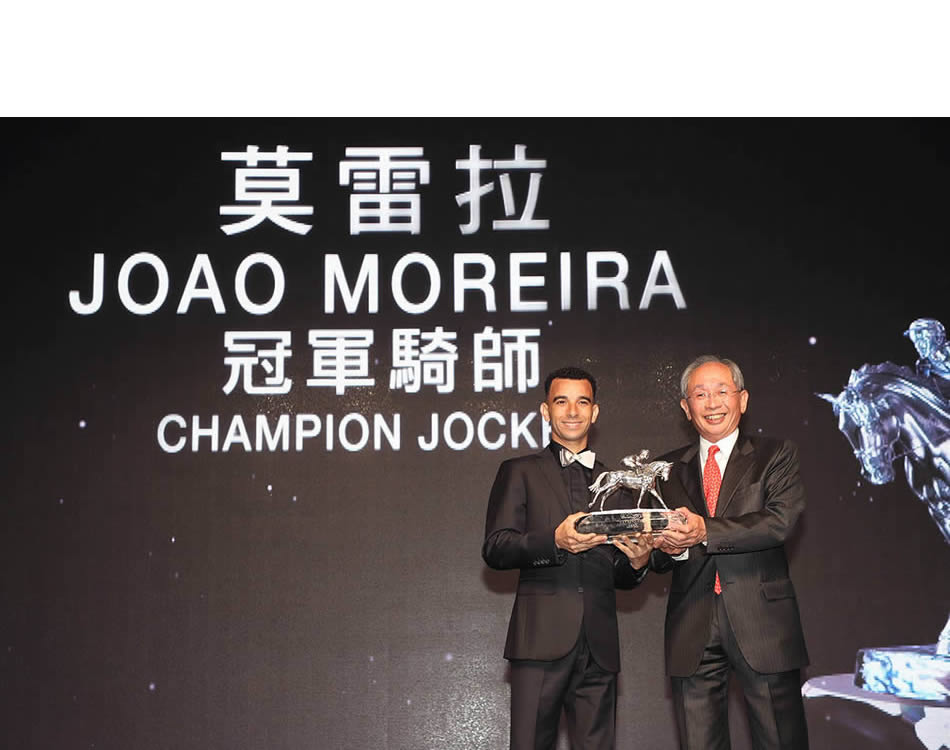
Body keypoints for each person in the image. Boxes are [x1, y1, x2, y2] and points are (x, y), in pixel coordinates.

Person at [483, 366, 652, 750]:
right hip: (539, 640)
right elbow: (496, 546)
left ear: (595, 412)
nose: (572, 411)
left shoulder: (617, 483)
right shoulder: (519, 471)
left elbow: (618, 572)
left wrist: (638, 562)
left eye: (582, 402)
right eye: (562, 402)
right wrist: (554, 541)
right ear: (546, 411)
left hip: (599, 647)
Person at [651, 355, 810, 750]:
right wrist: (662, 548)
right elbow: (657, 556)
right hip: (692, 625)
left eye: (722, 391)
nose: (712, 403)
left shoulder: (776, 454)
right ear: (686, 408)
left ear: (743, 399)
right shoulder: (665, 469)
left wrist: (704, 531)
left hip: (762, 623)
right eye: (700, 395)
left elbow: (778, 522)